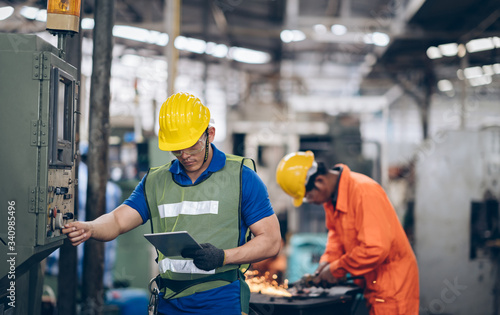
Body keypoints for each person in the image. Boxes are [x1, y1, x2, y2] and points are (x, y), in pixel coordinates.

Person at [63, 92, 281, 315]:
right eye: (177, 148)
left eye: (192, 145)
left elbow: (271, 242)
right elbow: (118, 219)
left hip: (220, 302)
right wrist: (91, 227)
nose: (185, 155)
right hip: (169, 303)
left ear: (210, 134)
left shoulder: (242, 177)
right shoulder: (156, 181)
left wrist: (223, 257)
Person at [275, 151, 419, 315]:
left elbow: (376, 248)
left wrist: (336, 269)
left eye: (308, 196)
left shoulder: (364, 192)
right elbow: (336, 235)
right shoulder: (332, 199)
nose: (311, 202)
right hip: (371, 281)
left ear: (320, 181)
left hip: (393, 285)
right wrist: (326, 264)